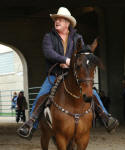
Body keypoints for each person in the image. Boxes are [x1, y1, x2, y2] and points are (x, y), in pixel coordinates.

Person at [17, 7, 119, 139]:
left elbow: (81, 55)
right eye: (56, 19)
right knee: (42, 95)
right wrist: (65, 59)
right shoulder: (49, 37)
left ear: (67, 23)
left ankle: (106, 117)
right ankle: (30, 125)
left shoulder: (77, 37)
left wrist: (74, 62)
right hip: (55, 75)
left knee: (92, 92)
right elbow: (48, 53)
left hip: (73, 74)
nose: (57, 21)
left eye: (60, 19)